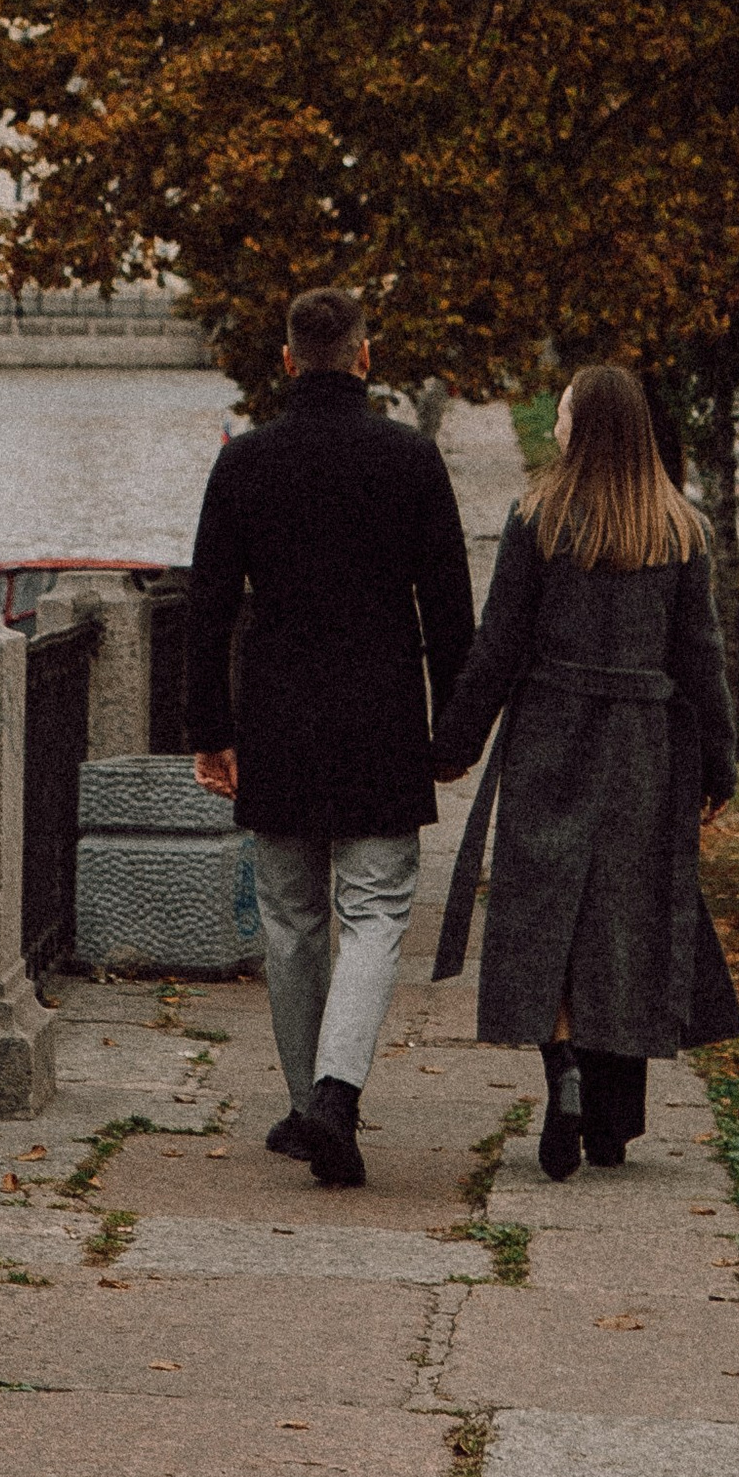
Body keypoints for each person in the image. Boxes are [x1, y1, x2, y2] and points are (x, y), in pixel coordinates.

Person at [186, 286, 475, 1187]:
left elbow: (207, 610)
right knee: (377, 911)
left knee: (291, 919)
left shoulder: (244, 463)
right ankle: (335, 1096)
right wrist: (455, 725)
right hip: (383, 717)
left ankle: (309, 1101)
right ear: (363, 356)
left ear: (284, 361)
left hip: (276, 720)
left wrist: (211, 729)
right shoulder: (411, 459)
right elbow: (449, 610)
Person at [429, 361, 739, 1177]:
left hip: (551, 735)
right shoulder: (679, 529)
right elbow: (702, 660)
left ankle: (561, 1065)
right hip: (646, 748)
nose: (557, 422)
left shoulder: (539, 518)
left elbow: (498, 646)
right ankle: (611, 1126)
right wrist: (719, 764)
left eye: (564, 411)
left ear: (588, 425)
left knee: (547, 918)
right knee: (623, 923)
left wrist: (454, 742)